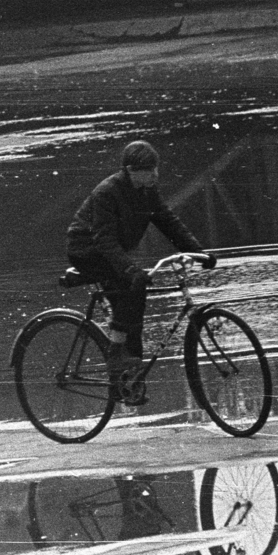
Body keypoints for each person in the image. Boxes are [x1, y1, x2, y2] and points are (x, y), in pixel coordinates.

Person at [67, 141, 211, 382]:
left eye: (156, 168)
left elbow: (168, 221)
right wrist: (130, 269)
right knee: (129, 286)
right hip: (87, 251)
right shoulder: (107, 192)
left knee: (136, 295)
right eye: (149, 170)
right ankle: (115, 356)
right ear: (132, 170)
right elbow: (105, 240)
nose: (155, 174)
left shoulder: (146, 191)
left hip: (110, 251)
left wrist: (198, 252)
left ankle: (129, 376)